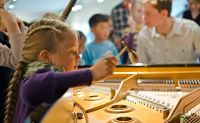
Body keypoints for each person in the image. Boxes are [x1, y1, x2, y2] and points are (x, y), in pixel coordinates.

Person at [3, 18, 118, 123]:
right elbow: (31, 88)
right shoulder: (34, 78)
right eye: (73, 52)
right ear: (46, 57)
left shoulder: (35, 72)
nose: (79, 58)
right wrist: (90, 74)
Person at [137, 0, 200, 64]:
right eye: (143, 13)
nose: (143, 18)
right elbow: (141, 67)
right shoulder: (143, 35)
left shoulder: (192, 30)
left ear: (164, 13)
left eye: (148, 13)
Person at [0, 0, 27, 122]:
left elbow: (28, 55)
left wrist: (19, 28)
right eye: (0, 7)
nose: (4, 12)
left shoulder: (3, 36)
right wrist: (12, 26)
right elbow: (20, 61)